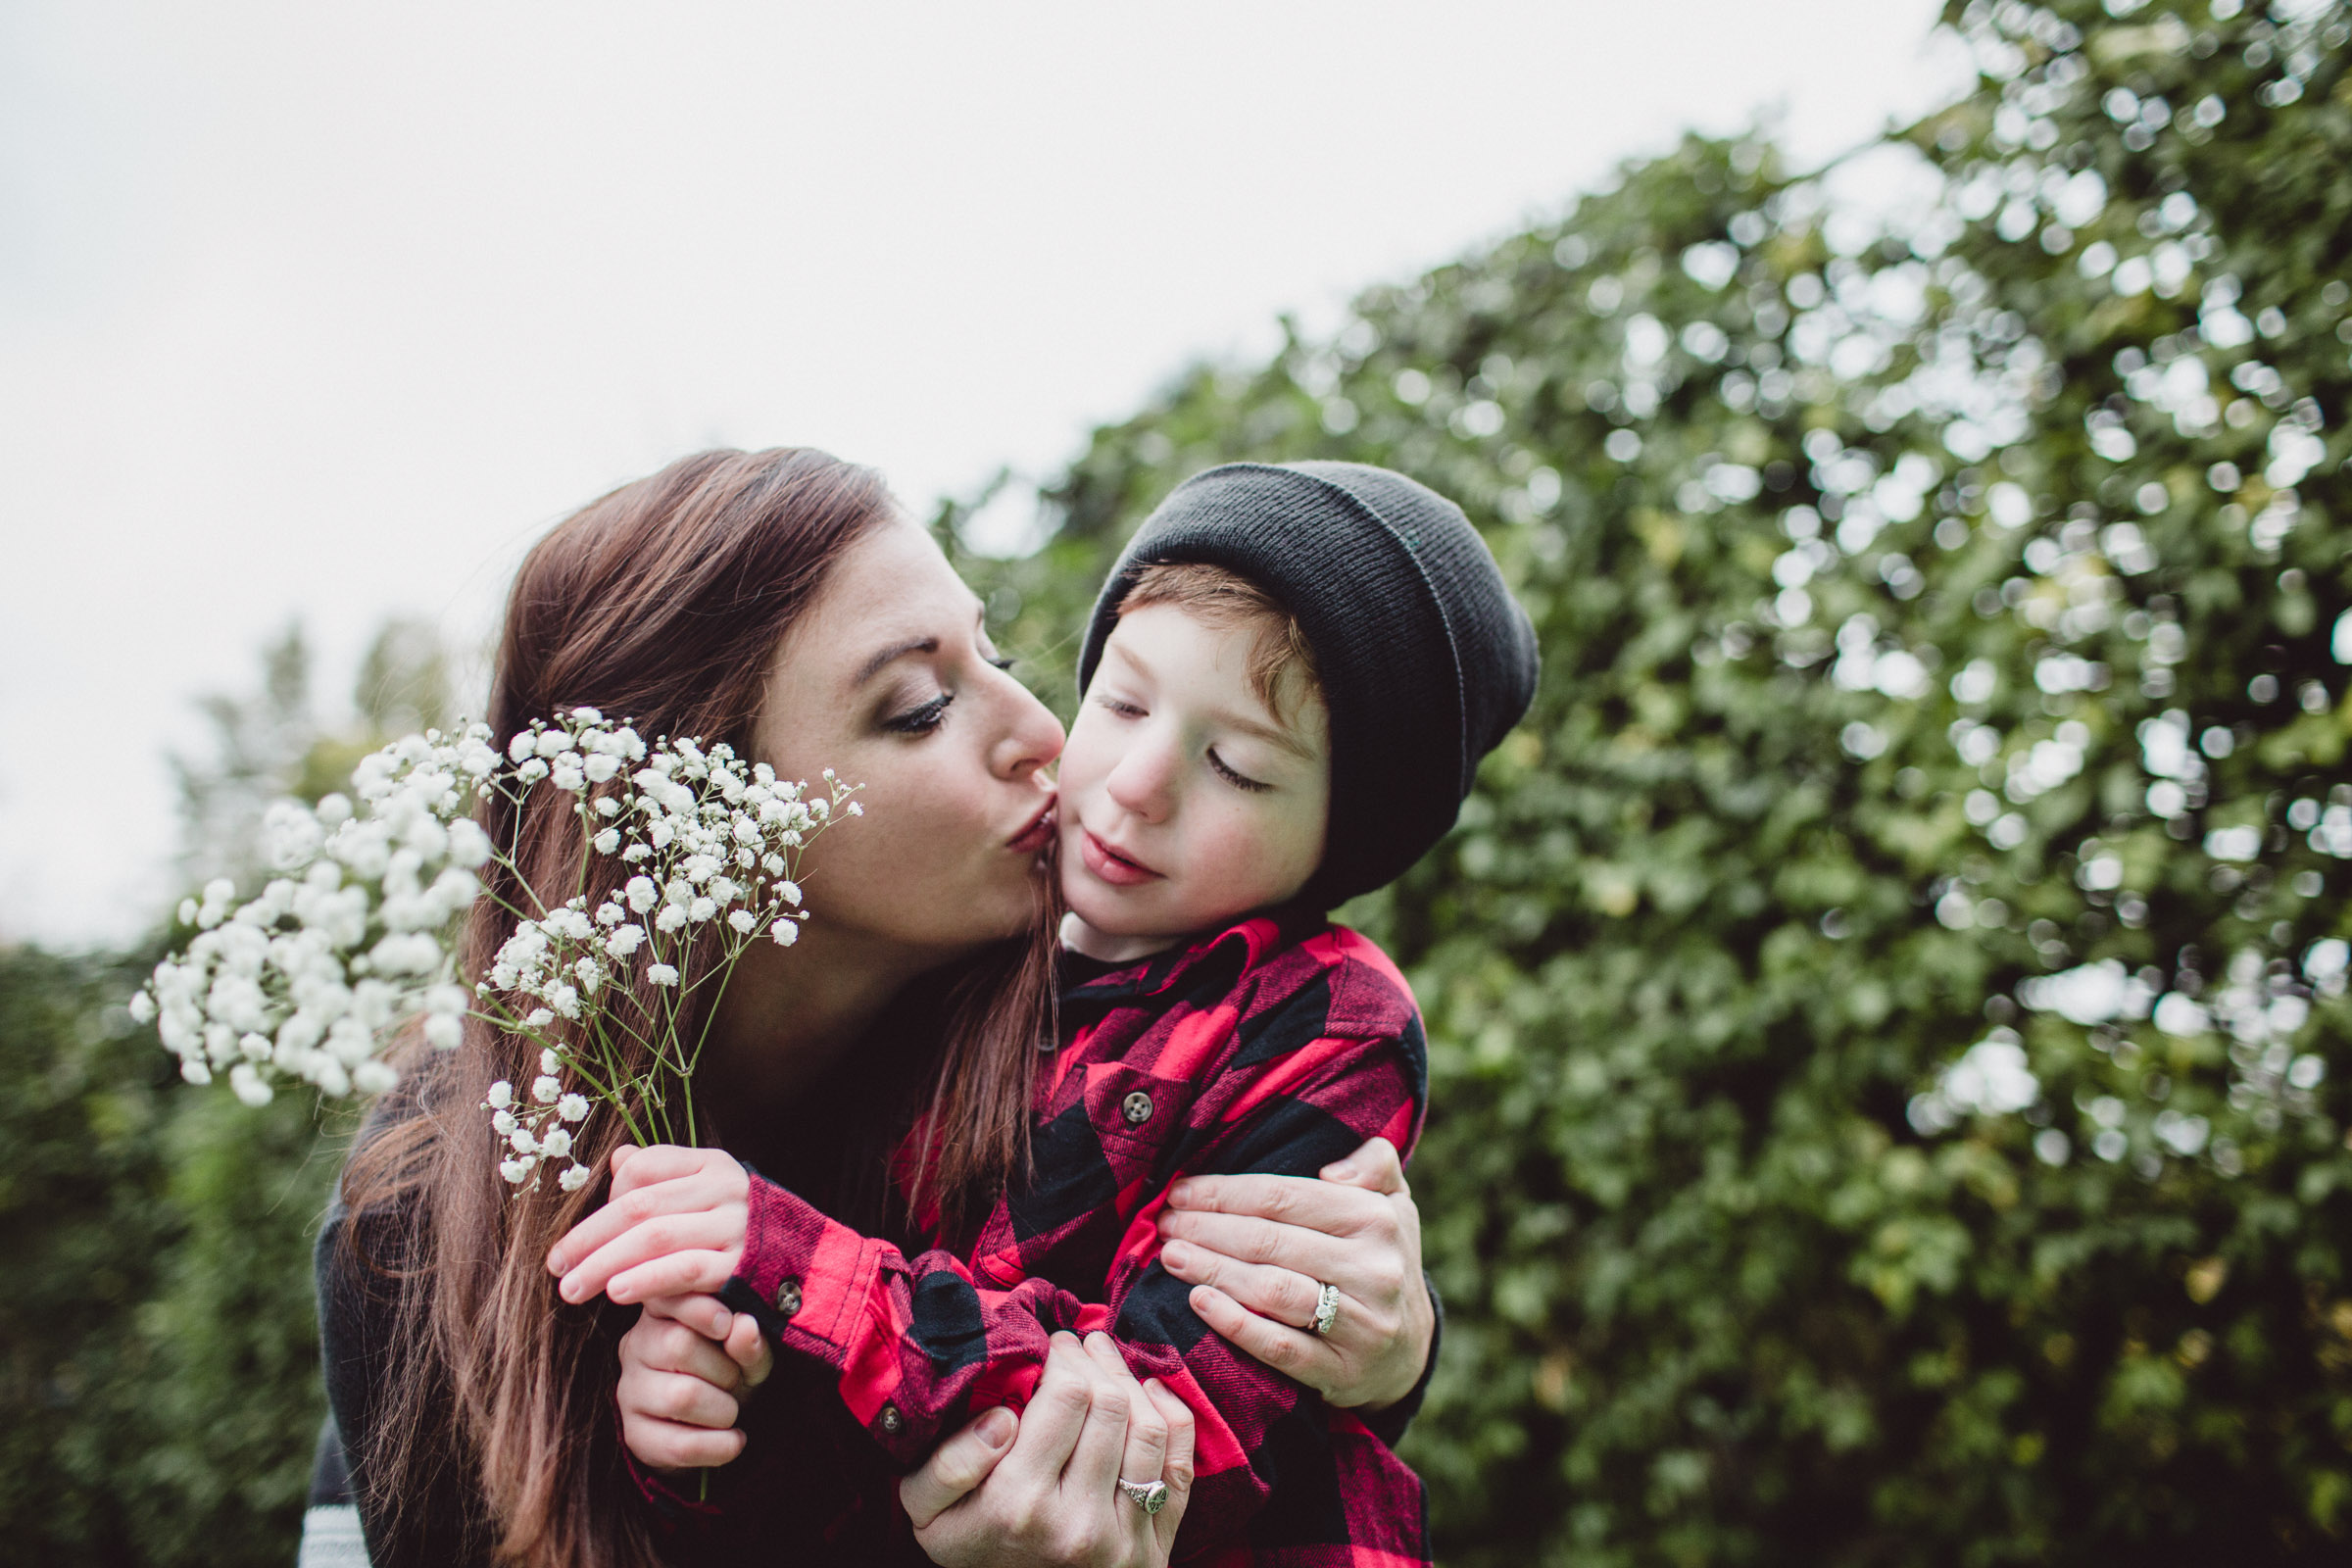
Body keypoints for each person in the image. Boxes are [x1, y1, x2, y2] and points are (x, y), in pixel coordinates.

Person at [308, 448, 1439, 1568]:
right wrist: (685, 1453)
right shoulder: (429, 1224)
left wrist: (1372, 1356)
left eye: (992, 652)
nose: (1049, 735)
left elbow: (1173, 1389)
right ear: (693, 818)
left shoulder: (1090, 990)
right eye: (921, 706)